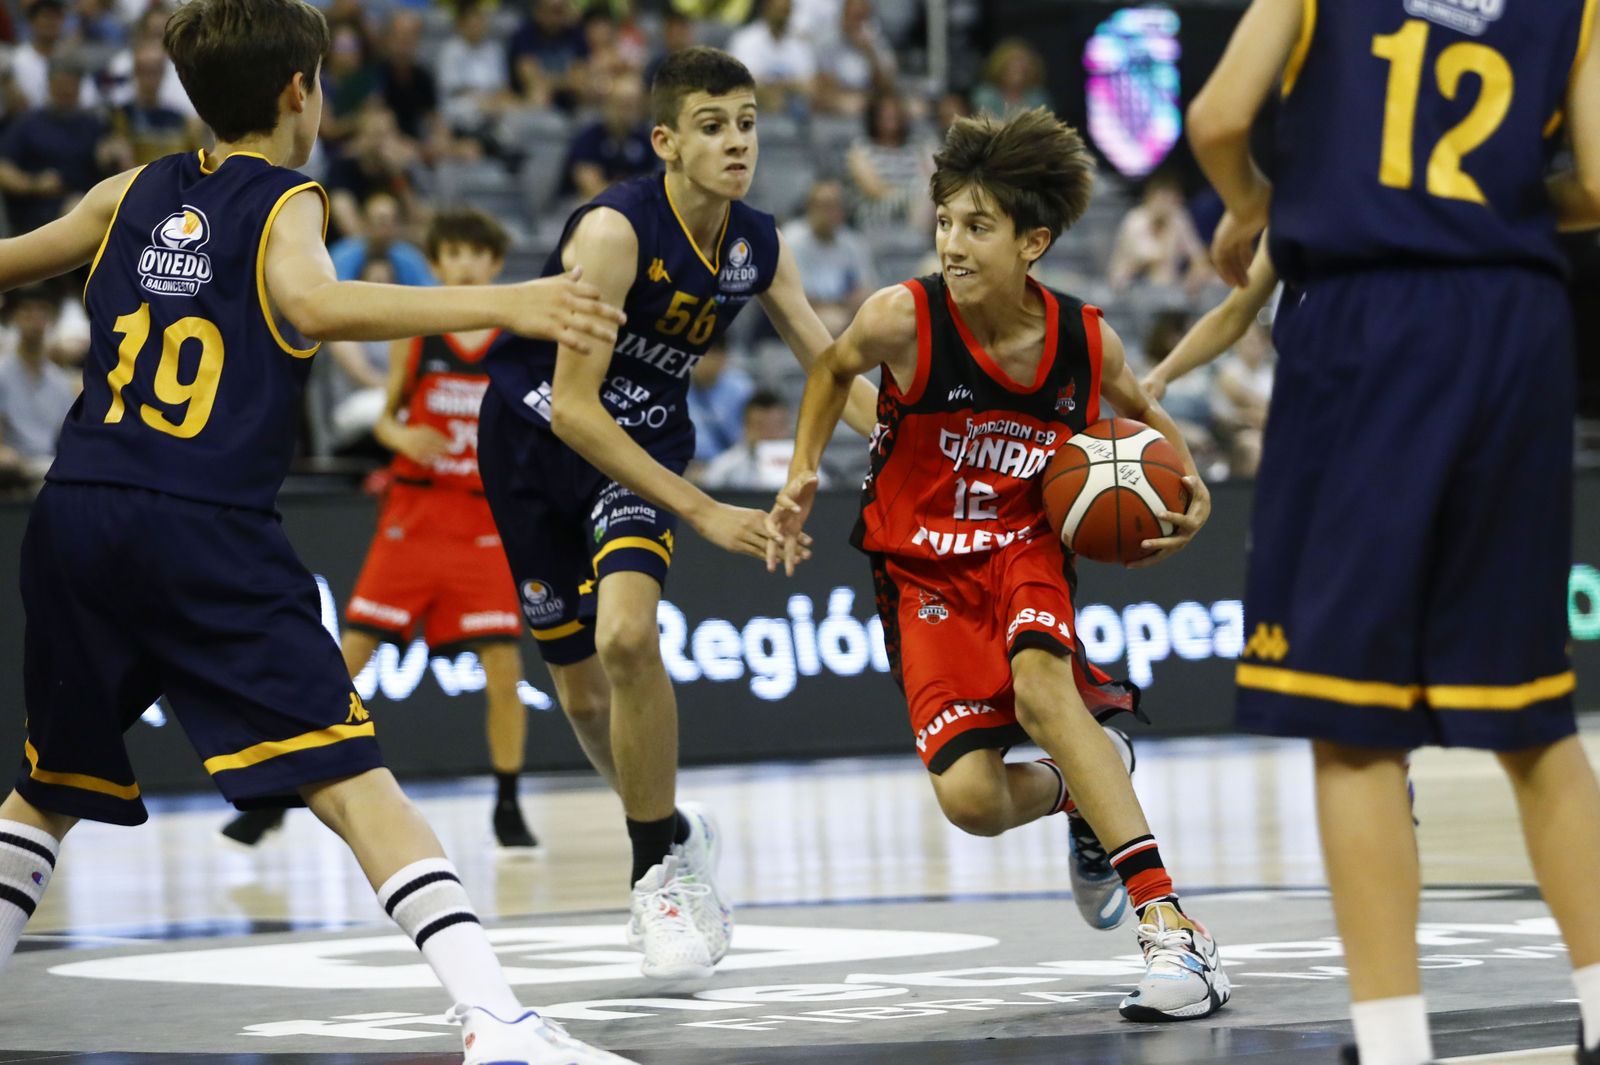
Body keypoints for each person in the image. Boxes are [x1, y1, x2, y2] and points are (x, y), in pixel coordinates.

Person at [0, 0, 633, 1061]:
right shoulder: (289, 199)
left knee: (47, 787)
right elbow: (313, 304)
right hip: (198, 526)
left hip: (75, 513)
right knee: (352, 781)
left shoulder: (125, 193)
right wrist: (511, 301)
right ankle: (498, 1020)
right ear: (300, 92)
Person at [1188, 0, 1600, 1061]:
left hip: (1368, 322)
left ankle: (1393, 1040)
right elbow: (1598, 183)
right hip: (1515, 328)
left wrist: (1257, 204)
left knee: (1353, 721)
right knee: (1530, 716)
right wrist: (1498, 214)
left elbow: (1219, 119)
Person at [765, 107, 1230, 1023]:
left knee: (1043, 694)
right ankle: (1089, 780)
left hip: (1024, 545)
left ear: (1034, 242)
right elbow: (830, 368)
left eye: (977, 225)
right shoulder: (902, 316)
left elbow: (1136, 408)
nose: (952, 241)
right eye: (944, 221)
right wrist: (802, 471)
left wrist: (1195, 482)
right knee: (972, 801)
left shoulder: (1082, 339)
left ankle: (1174, 927)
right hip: (920, 568)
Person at [479, 45, 878, 980]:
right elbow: (575, 407)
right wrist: (704, 512)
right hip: (536, 442)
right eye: (711, 126)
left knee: (627, 641)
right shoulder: (615, 233)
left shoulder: (757, 243)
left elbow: (831, 364)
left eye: (745, 122)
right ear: (665, 141)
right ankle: (673, 826)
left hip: (644, 447)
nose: (735, 142)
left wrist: (915, 435)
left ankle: (655, 876)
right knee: (578, 690)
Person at [222, 208, 541, 851]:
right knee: (347, 663)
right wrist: (408, 437)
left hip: (479, 519)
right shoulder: (418, 332)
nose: (465, 264)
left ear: (494, 264)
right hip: (415, 515)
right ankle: (282, 796)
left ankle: (508, 802)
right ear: (437, 262)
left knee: (505, 671)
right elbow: (386, 422)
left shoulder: (515, 336)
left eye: (476, 253)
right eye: (452, 252)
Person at [780, 178, 878, 336]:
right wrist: (842, 306)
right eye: (824, 206)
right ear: (810, 207)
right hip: (803, 317)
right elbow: (795, 299)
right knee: (833, 323)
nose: (830, 213)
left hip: (844, 313)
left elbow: (865, 289)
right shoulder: (791, 239)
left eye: (835, 206)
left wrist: (851, 304)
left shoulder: (852, 242)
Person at [0, 286, 76, 479]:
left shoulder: (59, 381)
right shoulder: (2, 373)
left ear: (51, 318)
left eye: (42, 310)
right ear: (14, 317)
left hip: (48, 466)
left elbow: (65, 436)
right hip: (12, 470)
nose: (35, 318)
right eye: (27, 310)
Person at [698, 389, 823, 491]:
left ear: (788, 427)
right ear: (746, 428)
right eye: (761, 426)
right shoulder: (725, 468)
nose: (770, 434)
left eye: (777, 427)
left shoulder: (807, 464)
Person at [561, 75, 657, 200]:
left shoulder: (645, 140)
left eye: (636, 104)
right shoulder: (589, 138)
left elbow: (652, 185)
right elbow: (591, 188)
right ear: (608, 103)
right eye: (624, 104)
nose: (631, 110)